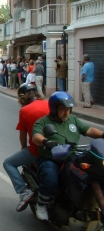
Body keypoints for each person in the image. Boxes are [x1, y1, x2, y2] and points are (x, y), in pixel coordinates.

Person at [32, 91, 104, 221]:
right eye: (62, 109)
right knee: (51, 180)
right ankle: (41, 205)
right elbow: (36, 137)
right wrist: (46, 141)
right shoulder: (43, 122)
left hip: (72, 157)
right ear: (54, 109)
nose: (66, 112)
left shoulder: (73, 119)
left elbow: (88, 130)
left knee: (92, 172)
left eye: (68, 109)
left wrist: (102, 134)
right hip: (52, 159)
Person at [3, 83, 49, 212]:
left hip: (37, 150)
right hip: (57, 148)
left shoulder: (25, 110)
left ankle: (24, 191)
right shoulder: (49, 104)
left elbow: (23, 135)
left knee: (8, 163)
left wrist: (24, 148)